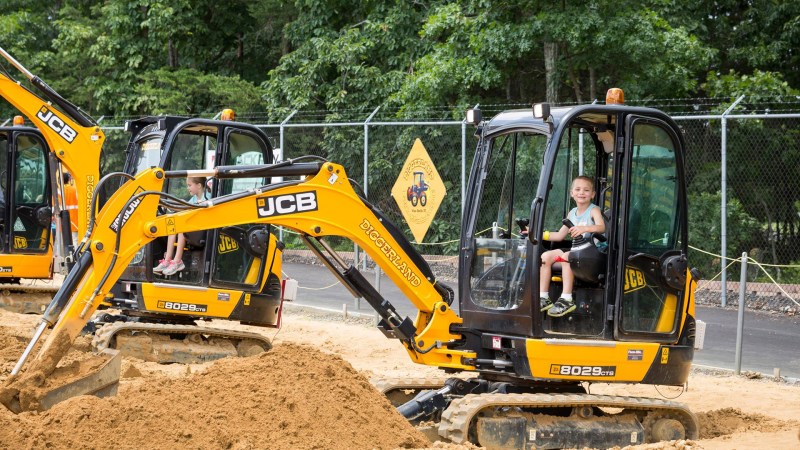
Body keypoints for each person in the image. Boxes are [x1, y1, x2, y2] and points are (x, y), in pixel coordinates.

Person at [539, 176, 605, 317]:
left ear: (592, 194)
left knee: (566, 256)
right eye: (578, 189)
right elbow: (559, 236)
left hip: (592, 253)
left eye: (586, 190)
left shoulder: (594, 210)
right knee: (545, 257)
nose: (582, 193)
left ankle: (567, 298)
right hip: (576, 250)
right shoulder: (571, 213)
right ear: (572, 193)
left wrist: (585, 229)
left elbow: (601, 227)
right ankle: (543, 297)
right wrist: (537, 233)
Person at [154, 177, 210, 276]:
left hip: (202, 229)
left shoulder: (208, 197)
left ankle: (177, 261)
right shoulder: (194, 198)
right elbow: (186, 209)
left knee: (181, 228)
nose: (188, 188)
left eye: (189, 185)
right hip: (192, 227)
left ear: (199, 185)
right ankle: (167, 260)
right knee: (173, 227)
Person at [62, 172, 79, 245]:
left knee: (62, 240)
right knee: (75, 240)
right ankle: (75, 256)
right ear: (69, 180)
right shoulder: (75, 190)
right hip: (74, 219)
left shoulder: (59, 191)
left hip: (62, 220)